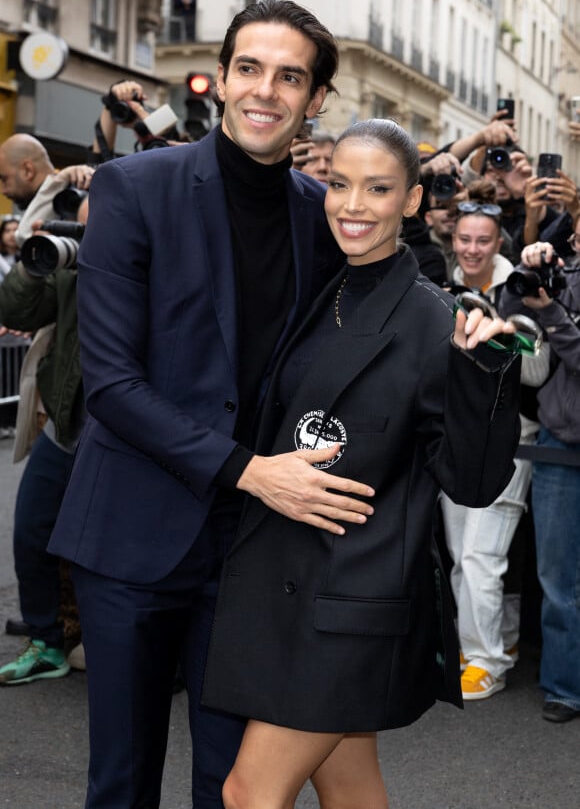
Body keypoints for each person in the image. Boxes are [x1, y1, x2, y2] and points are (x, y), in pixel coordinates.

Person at [47, 0, 374, 808]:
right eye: (251, 69)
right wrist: (250, 472)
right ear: (222, 79)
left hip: (253, 555)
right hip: (129, 535)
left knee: (233, 790)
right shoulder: (135, 188)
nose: (267, 91)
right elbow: (114, 384)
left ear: (316, 99)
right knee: (121, 784)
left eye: (290, 76)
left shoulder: (319, 214)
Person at [201, 119, 522, 808]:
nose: (352, 204)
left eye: (377, 189)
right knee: (348, 785)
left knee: (248, 792)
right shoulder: (323, 291)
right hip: (285, 580)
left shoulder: (435, 319)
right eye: (339, 184)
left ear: (410, 201)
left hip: (351, 598)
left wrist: (481, 378)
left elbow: (472, 481)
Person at [440, 180, 549, 700]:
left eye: (482, 239)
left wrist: (507, 334)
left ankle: (486, 661)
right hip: (453, 436)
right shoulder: (439, 285)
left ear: (498, 242)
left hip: (510, 441)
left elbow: (538, 372)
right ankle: (484, 646)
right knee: (465, 555)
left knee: (484, 556)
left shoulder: (519, 286)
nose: (472, 248)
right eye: (464, 238)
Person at [0, 194, 90, 685]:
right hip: (65, 423)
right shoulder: (71, 271)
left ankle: (117, 644)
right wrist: (33, 263)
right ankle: (45, 642)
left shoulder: (160, 263)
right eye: (79, 230)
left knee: (108, 548)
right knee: (32, 532)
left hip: (124, 435)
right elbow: (15, 308)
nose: (86, 241)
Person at [500, 234, 580, 723]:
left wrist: (552, 314)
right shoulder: (561, 276)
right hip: (555, 442)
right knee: (556, 577)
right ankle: (565, 686)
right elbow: (512, 326)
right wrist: (528, 274)